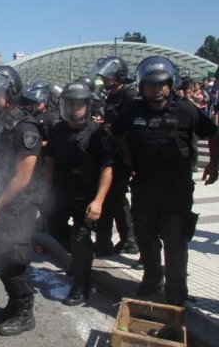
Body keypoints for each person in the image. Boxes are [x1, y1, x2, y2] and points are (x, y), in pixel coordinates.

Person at [112, 56, 219, 306]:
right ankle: (152, 277)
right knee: (145, 236)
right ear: (142, 87)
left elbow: (213, 133)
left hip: (176, 190)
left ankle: (176, 289)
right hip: (144, 187)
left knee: (175, 240)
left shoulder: (185, 109)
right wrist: (128, 156)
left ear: (170, 85)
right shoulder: (133, 110)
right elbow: (116, 132)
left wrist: (214, 164)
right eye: (150, 85)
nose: (156, 89)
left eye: (161, 84)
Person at [0, 65, 42, 337]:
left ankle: (25, 312)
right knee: (1, 255)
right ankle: (13, 303)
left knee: (13, 256)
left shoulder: (26, 127)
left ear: (11, 93)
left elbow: (23, 176)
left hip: (20, 201)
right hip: (1, 197)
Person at [44, 82, 114, 305]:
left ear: (88, 106)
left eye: (80, 104)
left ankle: (81, 287)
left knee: (81, 239)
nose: (75, 109)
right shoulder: (57, 129)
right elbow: (50, 161)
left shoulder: (97, 134)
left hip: (86, 196)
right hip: (62, 192)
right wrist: (46, 191)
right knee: (53, 228)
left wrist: (99, 201)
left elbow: (107, 168)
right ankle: (79, 256)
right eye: (70, 103)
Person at [89, 56, 139, 257]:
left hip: (123, 155)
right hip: (113, 153)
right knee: (118, 200)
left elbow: (127, 128)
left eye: (109, 76)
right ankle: (128, 240)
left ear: (119, 76)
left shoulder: (129, 96)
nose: (105, 80)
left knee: (109, 201)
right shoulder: (112, 96)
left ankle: (103, 244)